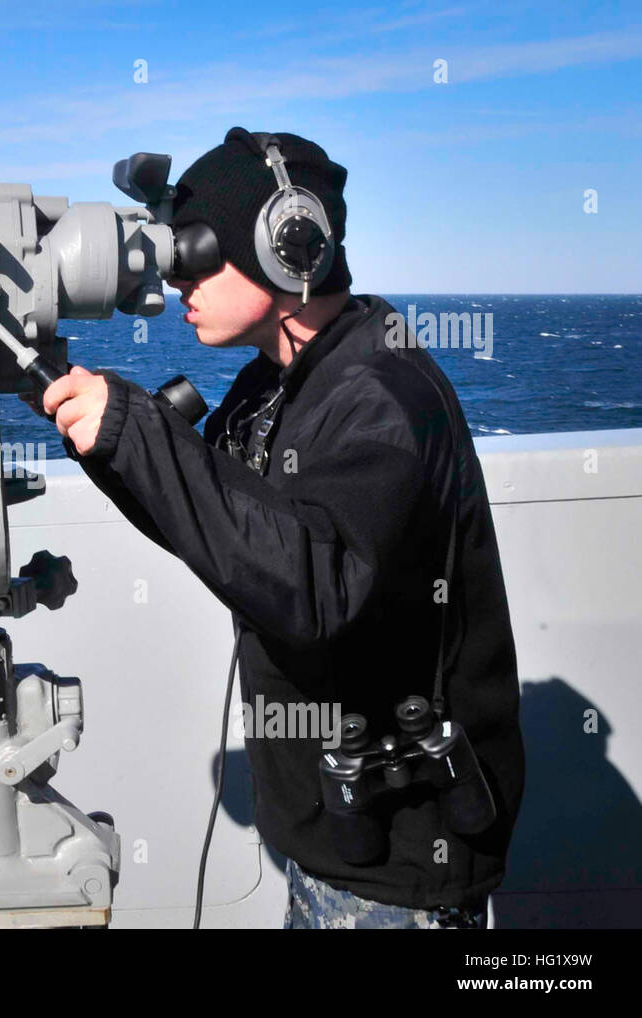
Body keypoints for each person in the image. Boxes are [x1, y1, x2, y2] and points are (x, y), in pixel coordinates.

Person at [26, 127, 525, 929]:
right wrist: (54, 388)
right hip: (333, 842)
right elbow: (217, 521)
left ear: (288, 244)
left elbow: (315, 582)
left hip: (399, 868)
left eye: (193, 252)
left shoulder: (380, 396)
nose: (176, 278)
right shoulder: (288, 379)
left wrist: (134, 428)